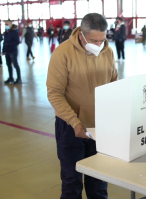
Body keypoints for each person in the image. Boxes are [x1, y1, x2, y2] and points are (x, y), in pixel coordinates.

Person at [47, 13, 117, 199]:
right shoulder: (62, 54)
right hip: (71, 127)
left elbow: (114, 84)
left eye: (102, 39)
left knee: (99, 182)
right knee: (72, 181)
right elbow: (54, 93)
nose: (99, 45)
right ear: (81, 35)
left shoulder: (108, 52)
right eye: (94, 40)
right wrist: (74, 121)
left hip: (99, 128)